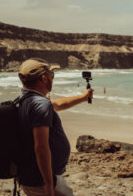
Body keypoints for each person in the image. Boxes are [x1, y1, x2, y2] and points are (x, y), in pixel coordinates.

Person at [17, 58, 93, 196]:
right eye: (51, 75)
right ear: (44, 78)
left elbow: (57, 104)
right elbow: (41, 148)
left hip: (31, 177)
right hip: (42, 181)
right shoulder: (40, 104)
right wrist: (49, 185)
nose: (53, 79)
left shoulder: (25, 100)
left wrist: (83, 97)